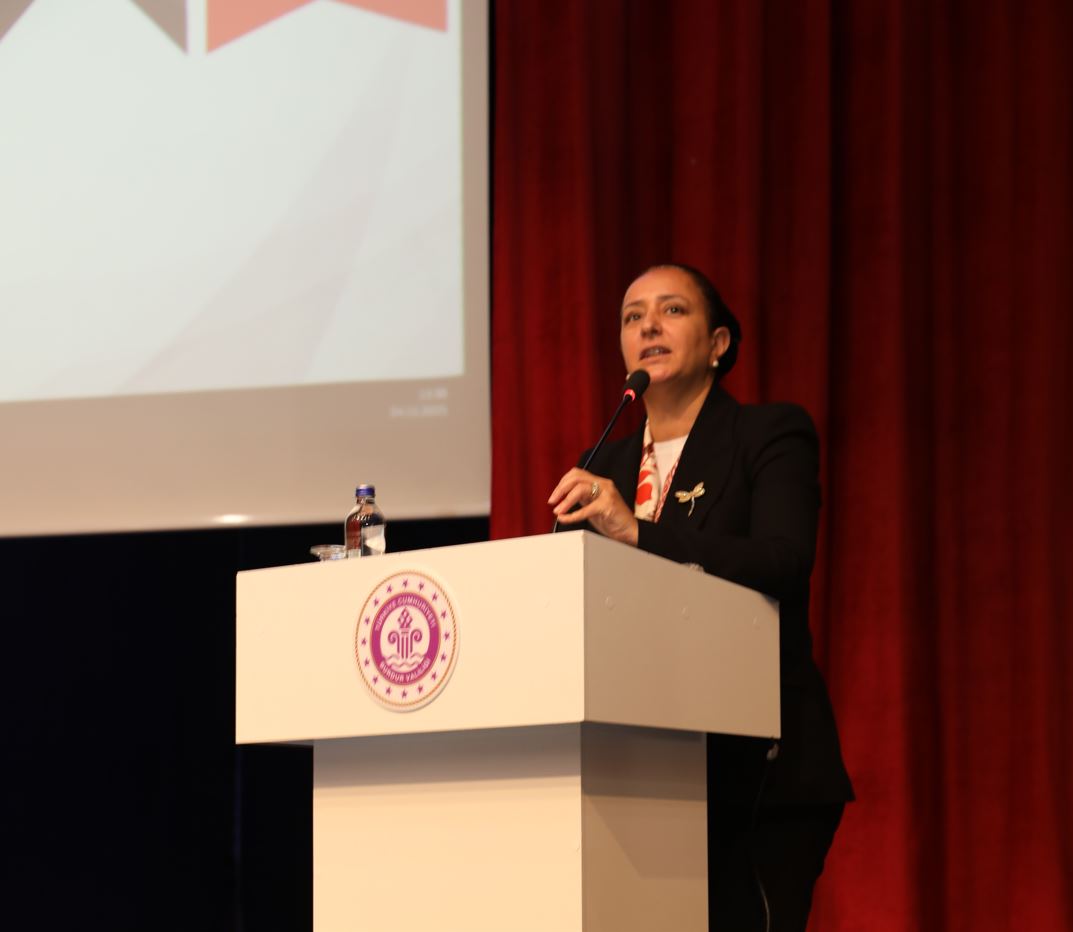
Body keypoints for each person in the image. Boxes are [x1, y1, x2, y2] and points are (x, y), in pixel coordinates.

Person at [548, 263, 854, 932]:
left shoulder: (768, 435)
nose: (648, 327)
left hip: (757, 772)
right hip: (633, 771)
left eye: (672, 310)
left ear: (718, 343)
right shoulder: (602, 466)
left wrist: (636, 531)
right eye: (632, 317)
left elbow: (782, 562)